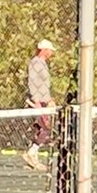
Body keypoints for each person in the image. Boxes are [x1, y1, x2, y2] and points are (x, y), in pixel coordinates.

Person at [21, 38, 57, 171]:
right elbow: (33, 82)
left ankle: (32, 156)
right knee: (46, 127)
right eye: (50, 50)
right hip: (36, 102)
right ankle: (31, 152)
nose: (51, 53)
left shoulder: (42, 64)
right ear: (44, 50)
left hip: (42, 101)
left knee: (40, 128)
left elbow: (43, 85)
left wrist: (48, 99)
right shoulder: (36, 63)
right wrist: (36, 101)